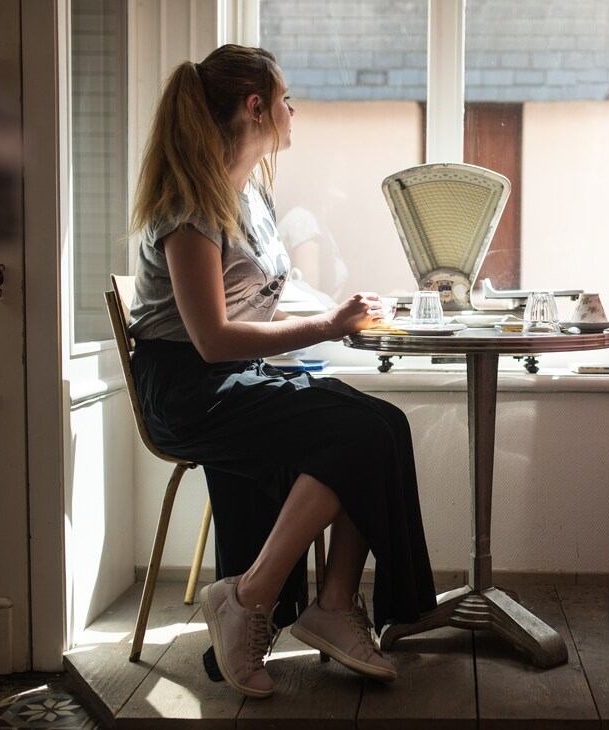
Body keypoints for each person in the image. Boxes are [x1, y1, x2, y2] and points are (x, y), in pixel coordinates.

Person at [127, 44, 437, 698]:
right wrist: (329, 328)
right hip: (187, 388)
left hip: (231, 374)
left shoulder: (253, 196)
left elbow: (277, 293)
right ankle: (250, 598)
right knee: (355, 434)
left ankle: (331, 605)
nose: (294, 110)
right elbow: (210, 340)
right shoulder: (191, 206)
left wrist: (363, 315)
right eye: (286, 98)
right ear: (255, 106)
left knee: (381, 424)